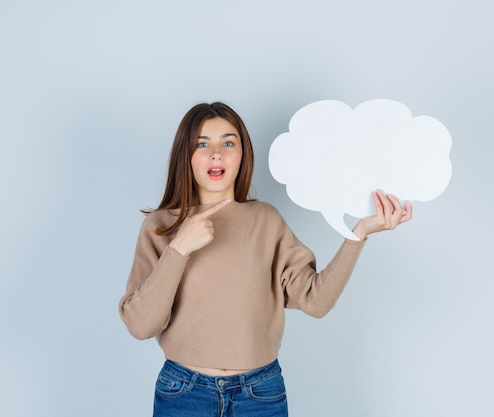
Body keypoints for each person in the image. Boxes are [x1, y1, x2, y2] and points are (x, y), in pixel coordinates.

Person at [119, 102, 412, 417]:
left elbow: (316, 301)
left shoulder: (266, 221)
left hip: (258, 393)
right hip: (184, 392)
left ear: (242, 155)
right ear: (185, 155)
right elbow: (141, 325)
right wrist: (179, 249)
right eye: (202, 143)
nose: (216, 152)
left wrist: (359, 234)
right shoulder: (161, 226)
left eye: (228, 142)